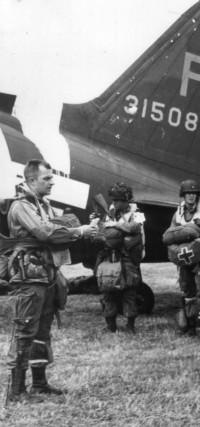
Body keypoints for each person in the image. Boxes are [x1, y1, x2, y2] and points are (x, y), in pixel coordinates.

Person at [5, 159, 97, 403]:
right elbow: (45, 232)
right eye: (47, 178)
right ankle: (16, 392)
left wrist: (80, 228)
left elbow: (59, 225)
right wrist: (79, 232)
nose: (52, 182)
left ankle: (39, 383)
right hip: (28, 276)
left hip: (46, 273)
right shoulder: (21, 206)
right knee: (25, 330)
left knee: (42, 330)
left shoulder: (42, 205)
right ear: (32, 180)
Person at [95, 183, 145, 333]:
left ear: (126, 200)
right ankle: (111, 325)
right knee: (108, 290)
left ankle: (130, 325)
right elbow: (103, 230)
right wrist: (97, 220)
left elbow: (134, 227)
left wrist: (115, 224)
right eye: (113, 200)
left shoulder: (137, 213)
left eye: (117, 200)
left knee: (129, 292)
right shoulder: (110, 211)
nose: (114, 203)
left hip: (127, 258)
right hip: (110, 257)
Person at [170, 179, 200, 336]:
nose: (191, 196)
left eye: (194, 193)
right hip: (185, 254)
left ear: (198, 195)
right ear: (183, 195)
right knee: (187, 289)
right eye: (188, 193)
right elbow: (171, 233)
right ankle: (191, 325)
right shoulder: (178, 213)